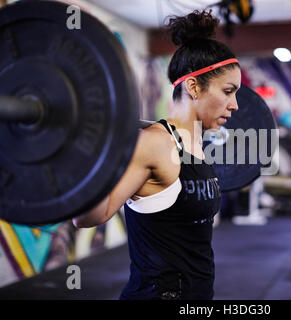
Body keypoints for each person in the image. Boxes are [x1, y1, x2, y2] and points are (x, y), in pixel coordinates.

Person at [72, 10, 241, 300]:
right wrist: (89, 151)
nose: (235, 105)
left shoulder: (195, 144)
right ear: (193, 87)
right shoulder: (152, 144)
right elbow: (88, 217)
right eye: (228, 91)